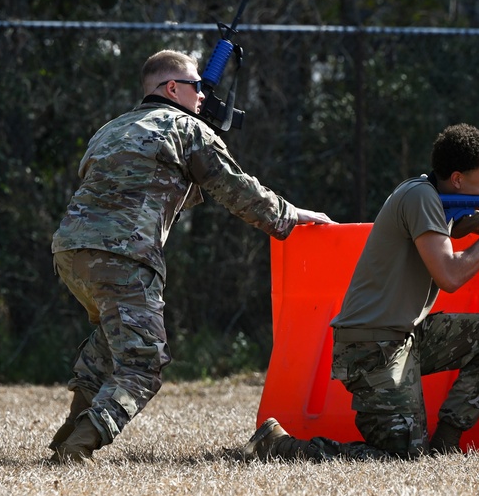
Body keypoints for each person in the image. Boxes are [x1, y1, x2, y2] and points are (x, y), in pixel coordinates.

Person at [241, 123, 479, 462]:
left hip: (406, 337)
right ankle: (278, 444)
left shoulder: (448, 200)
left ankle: (446, 442)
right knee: (402, 456)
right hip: (371, 346)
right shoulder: (420, 198)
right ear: (457, 179)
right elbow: (451, 274)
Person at [48, 49, 335, 464]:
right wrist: (290, 216)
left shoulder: (110, 129)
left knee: (110, 345)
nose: (203, 94)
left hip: (70, 252)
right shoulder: (185, 129)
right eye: (196, 86)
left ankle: (68, 436)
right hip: (124, 255)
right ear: (172, 88)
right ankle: (78, 447)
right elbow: (237, 190)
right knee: (142, 364)